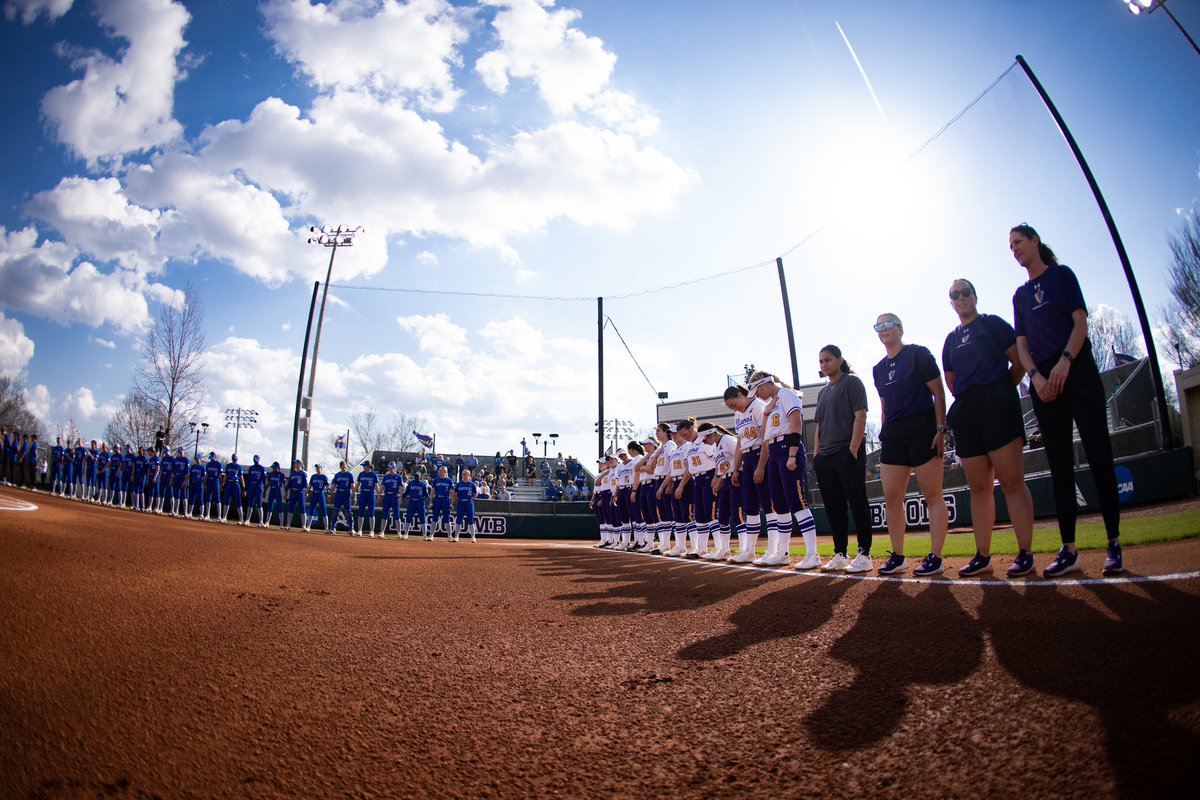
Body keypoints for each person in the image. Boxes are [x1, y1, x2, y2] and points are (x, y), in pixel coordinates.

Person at [1010, 223, 1123, 577]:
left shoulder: (1062, 275)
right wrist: (1037, 378)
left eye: (1018, 242)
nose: (1014, 249)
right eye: (1010, 246)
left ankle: (1114, 544)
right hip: (1044, 384)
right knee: (1060, 467)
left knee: (1099, 456)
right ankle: (1069, 549)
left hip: (1078, 371)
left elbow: (1080, 323)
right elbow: (1023, 345)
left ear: (1035, 241)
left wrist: (1065, 362)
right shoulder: (1020, 295)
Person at [942, 278, 1036, 577]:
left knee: (1011, 482)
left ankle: (1025, 553)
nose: (961, 298)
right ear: (951, 302)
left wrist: (1002, 388)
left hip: (998, 404)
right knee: (979, 488)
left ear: (975, 295)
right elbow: (951, 380)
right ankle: (982, 555)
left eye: (965, 292)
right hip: (968, 411)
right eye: (955, 295)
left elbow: (1018, 361)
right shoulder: (951, 339)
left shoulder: (993, 324)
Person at [872, 313, 949, 576]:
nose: (883, 330)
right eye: (879, 326)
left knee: (933, 495)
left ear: (900, 329)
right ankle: (898, 556)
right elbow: (884, 408)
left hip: (922, 430)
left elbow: (939, 393)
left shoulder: (918, 354)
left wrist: (941, 429)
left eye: (888, 324)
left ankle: (936, 557)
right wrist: (884, 434)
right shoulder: (878, 368)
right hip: (893, 436)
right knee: (892, 498)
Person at [747, 371, 821, 569]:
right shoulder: (771, 403)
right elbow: (765, 435)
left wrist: (792, 454)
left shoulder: (787, 395)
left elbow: (796, 424)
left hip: (787, 447)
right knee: (779, 504)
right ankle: (783, 553)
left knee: (797, 501)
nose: (758, 395)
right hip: (773, 450)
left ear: (764, 384)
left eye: (757, 390)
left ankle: (813, 554)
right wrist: (765, 412)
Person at [812, 345, 875, 574]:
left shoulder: (852, 382)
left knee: (858, 503)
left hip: (847, 453)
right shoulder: (822, 392)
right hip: (825, 458)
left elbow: (861, 415)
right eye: (821, 361)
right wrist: (817, 455)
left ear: (840, 360)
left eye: (828, 359)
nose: (824, 364)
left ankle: (865, 554)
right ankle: (840, 553)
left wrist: (853, 449)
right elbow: (818, 426)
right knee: (834, 507)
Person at [723, 385, 771, 563]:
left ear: (741, 395)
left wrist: (761, 466)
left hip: (761, 454)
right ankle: (749, 551)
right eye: (730, 407)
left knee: (768, 504)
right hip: (748, 458)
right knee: (750, 506)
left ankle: (773, 550)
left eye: (734, 404)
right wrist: (736, 468)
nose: (734, 408)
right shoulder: (738, 415)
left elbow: (766, 438)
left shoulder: (758, 406)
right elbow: (739, 443)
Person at [700, 422, 739, 561]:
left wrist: (736, 472)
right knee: (722, 517)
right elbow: (722, 466)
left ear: (711, 433)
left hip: (735, 479)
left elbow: (740, 454)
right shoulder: (717, 446)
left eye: (705, 438)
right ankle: (725, 550)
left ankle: (746, 550)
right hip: (725, 481)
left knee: (738, 515)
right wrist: (718, 479)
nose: (705, 442)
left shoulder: (728, 440)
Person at [679, 421, 716, 559]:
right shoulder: (689, 446)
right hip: (697, 480)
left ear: (692, 429)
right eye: (683, 435)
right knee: (699, 515)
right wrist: (681, 485)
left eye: (686, 433)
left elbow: (716, 458)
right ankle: (702, 548)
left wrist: (717, 477)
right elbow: (689, 470)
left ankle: (719, 548)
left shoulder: (704, 440)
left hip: (709, 476)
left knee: (710, 513)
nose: (686, 437)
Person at [452, 468, 479, 542]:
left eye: (465, 474)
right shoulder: (458, 484)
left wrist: (471, 498)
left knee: (470, 520)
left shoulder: (472, 484)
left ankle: (473, 537)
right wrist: (453, 503)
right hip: (461, 503)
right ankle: (456, 537)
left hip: (469, 503)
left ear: (469, 475)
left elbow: (475, 494)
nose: (463, 475)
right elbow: (455, 495)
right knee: (459, 519)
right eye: (463, 474)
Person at [354, 461, 379, 537]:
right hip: (363, 493)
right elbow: (357, 485)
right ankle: (360, 530)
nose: (363, 467)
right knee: (361, 512)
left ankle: (372, 531)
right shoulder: (361, 474)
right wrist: (353, 493)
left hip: (371, 493)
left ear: (368, 466)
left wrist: (379, 495)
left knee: (371, 512)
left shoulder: (373, 474)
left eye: (364, 466)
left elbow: (376, 486)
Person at [403, 470, 430, 540]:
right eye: (415, 476)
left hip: (420, 502)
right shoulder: (411, 483)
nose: (416, 477)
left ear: (420, 477)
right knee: (408, 518)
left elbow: (426, 494)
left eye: (418, 476)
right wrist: (401, 497)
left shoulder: (423, 484)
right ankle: (406, 534)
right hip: (412, 502)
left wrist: (429, 501)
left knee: (422, 519)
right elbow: (406, 493)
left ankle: (424, 535)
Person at [221, 454, 246, 525]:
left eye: (235, 458)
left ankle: (241, 519)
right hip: (229, 483)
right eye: (233, 458)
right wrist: (223, 483)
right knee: (226, 500)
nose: (234, 459)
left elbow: (241, 478)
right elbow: (226, 475)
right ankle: (224, 517)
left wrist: (243, 489)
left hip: (236, 484)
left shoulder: (239, 467)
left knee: (238, 501)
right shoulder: (228, 466)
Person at [430, 465, 454, 539]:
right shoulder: (436, 480)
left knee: (447, 518)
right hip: (437, 499)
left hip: (445, 500)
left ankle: (449, 536)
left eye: (441, 470)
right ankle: (431, 535)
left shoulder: (449, 480)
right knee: (434, 518)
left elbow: (452, 493)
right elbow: (432, 491)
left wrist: (452, 503)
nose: (439, 472)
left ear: (445, 472)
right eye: (439, 470)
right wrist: (430, 502)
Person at [330, 462, 355, 533]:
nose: (344, 468)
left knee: (348, 512)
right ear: (340, 467)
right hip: (339, 493)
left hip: (346, 493)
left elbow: (352, 485)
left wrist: (354, 495)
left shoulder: (349, 475)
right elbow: (333, 485)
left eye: (345, 467)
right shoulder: (337, 475)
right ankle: (332, 528)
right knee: (335, 511)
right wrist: (330, 494)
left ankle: (351, 529)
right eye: (343, 467)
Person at [306, 463, 330, 533]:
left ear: (321, 469)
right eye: (316, 468)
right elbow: (310, 486)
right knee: (311, 510)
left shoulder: (324, 477)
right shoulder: (313, 477)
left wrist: (328, 494)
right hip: (314, 493)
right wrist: (307, 492)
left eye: (318, 468)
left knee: (324, 510)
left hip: (321, 494)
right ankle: (308, 527)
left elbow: (327, 487)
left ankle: (326, 528)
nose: (317, 469)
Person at [284, 459, 308, 531]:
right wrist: (286, 491)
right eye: (295, 463)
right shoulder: (293, 473)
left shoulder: (303, 474)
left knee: (302, 509)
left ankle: (304, 525)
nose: (295, 465)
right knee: (290, 508)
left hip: (300, 492)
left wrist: (306, 492)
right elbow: (289, 484)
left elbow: (306, 484)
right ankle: (288, 525)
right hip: (293, 492)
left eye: (296, 463)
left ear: (300, 464)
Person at [379, 462, 403, 534]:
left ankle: (399, 533)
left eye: (391, 467)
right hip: (387, 496)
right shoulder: (386, 476)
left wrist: (401, 497)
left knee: (396, 514)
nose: (389, 469)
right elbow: (382, 487)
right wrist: (379, 495)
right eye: (389, 467)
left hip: (395, 496)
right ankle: (382, 532)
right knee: (385, 514)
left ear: (394, 468)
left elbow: (401, 488)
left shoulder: (398, 477)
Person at [245, 454, 266, 525]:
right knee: (250, 503)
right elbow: (248, 479)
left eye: (256, 458)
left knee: (259, 504)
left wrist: (263, 489)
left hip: (258, 487)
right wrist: (246, 488)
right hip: (252, 486)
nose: (255, 460)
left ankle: (261, 521)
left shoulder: (262, 468)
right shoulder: (251, 468)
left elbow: (263, 479)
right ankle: (248, 520)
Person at [263, 461, 285, 527]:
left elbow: (284, 484)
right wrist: (265, 491)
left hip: (278, 490)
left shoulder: (281, 475)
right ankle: (267, 522)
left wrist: (285, 493)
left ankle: (281, 523)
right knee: (269, 506)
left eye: (274, 467)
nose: (272, 469)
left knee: (279, 507)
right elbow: (268, 483)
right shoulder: (271, 474)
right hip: (272, 490)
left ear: (277, 467)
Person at [203, 452, 222, 521]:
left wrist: (221, 484)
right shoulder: (208, 464)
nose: (211, 459)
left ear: (215, 457)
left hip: (216, 481)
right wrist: (205, 484)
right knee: (208, 498)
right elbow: (207, 475)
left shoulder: (219, 464)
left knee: (217, 498)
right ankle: (207, 515)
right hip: (210, 481)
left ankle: (219, 516)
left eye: (212, 457)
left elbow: (221, 475)